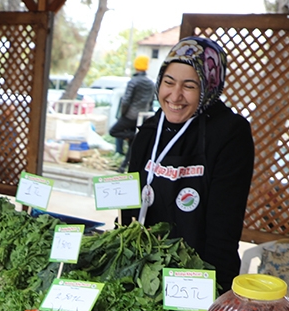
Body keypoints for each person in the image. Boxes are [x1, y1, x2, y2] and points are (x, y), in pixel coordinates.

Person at [120, 37, 255, 293]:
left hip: (198, 277)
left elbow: (224, 224)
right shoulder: (150, 130)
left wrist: (210, 290)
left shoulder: (229, 133)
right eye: (168, 82)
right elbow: (129, 207)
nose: (175, 95)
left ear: (209, 85)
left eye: (189, 86)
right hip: (145, 274)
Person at [109, 55, 155, 169]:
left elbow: (126, 101)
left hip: (130, 116)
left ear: (136, 66)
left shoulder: (133, 81)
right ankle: (124, 167)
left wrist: (123, 115)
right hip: (142, 116)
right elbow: (151, 102)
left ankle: (133, 136)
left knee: (113, 131)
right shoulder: (151, 83)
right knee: (132, 146)